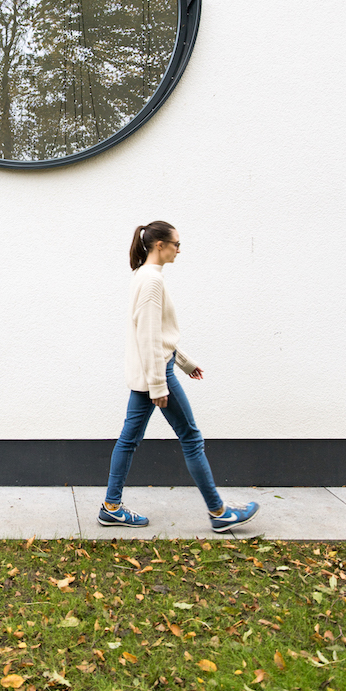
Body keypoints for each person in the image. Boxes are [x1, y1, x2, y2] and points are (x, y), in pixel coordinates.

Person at [98, 221, 259, 533]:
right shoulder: (151, 281)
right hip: (156, 373)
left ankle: (111, 507)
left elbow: (156, 334)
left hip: (152, 370)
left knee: (129, 440)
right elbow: (147, 337)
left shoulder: (145, 277)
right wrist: (159, 384)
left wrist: (184, 362)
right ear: (160, 245)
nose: (179, 250)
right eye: (176, 244)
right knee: (191, 438)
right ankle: (219, 513)